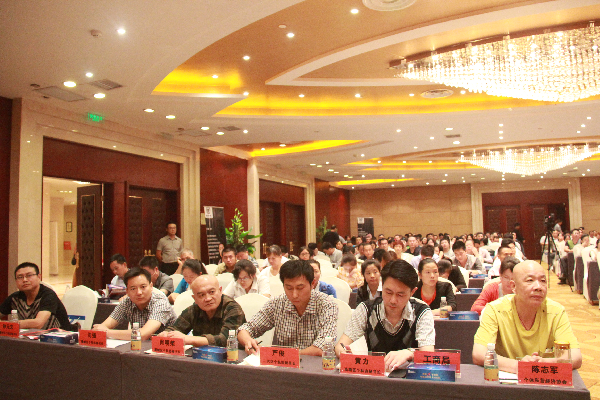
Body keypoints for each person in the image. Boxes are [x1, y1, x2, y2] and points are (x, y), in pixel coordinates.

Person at [472, 261, 582, 373]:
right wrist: (520, 366)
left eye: (543, 281)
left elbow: (576, 356)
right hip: (507, 379)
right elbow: (479, 353)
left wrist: (544, 363)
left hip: (543, 377)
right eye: (530, 280)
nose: (538, 287)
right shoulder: (495, 310)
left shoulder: (556, 311)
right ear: (513, 286)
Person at [335, 259, 435, 371]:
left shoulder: (422, 312)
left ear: (412, 292)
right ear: (382, 285)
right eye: (388, 292)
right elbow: (340, 346)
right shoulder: (366, 309)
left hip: (409, 376)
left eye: (400, 295)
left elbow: (428, 354)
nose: (393, 300)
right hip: (373, 374)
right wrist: (346, 355)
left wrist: (410, 353)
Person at [238, 260, 339, 356]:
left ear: (312, 284)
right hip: (280, 365)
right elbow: (245, 329)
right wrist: (248, 341)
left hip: (314, 366)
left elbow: (323, 348)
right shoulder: (277, 304)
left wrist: (284, 355)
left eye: (300, 288)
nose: (294, 295)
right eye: (289, 288)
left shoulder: (327, 305)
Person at [159, 275, 246, 346]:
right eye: (201, 295)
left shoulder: (232, 308)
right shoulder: (194, 309)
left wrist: (188, 339)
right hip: (201, 356)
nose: (208, 298)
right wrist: (167, 334)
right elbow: (176, 328)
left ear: (220, 291)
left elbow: (225, 339)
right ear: (195, 298)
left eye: (212, 292)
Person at [93, 268, 177, 340]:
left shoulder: (160, 302)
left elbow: (143, 334)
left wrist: (107, 332)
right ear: (127, 291)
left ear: (151, 286)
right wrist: (101, 330)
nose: (139, 292)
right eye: (133, 288)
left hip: (166, 348)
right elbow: (103, 327)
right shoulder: (127, 302)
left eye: (143, 287)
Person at [0, 262, 77, 330]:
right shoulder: (15, 298)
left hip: (60, 338)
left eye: (29, 275)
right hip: (30, 338)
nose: (24, 280)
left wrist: (8, 325)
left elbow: (38, 323)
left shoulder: (48, 295)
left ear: (39, 277)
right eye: (20, 277)